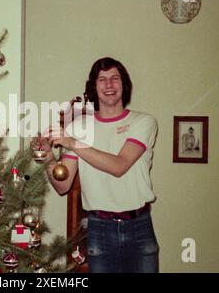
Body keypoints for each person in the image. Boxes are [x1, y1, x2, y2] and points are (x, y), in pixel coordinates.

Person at [33, 57, 159, 273]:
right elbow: (63, 186)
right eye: (102, 79)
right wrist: (48, 158)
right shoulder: (79, 127)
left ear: (124, 85)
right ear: (94, 87)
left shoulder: (144, 122)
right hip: (99, 228)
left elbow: (119, 166)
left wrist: (72, 142)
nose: (109, 85)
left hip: (139, 225)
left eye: (115, 78)